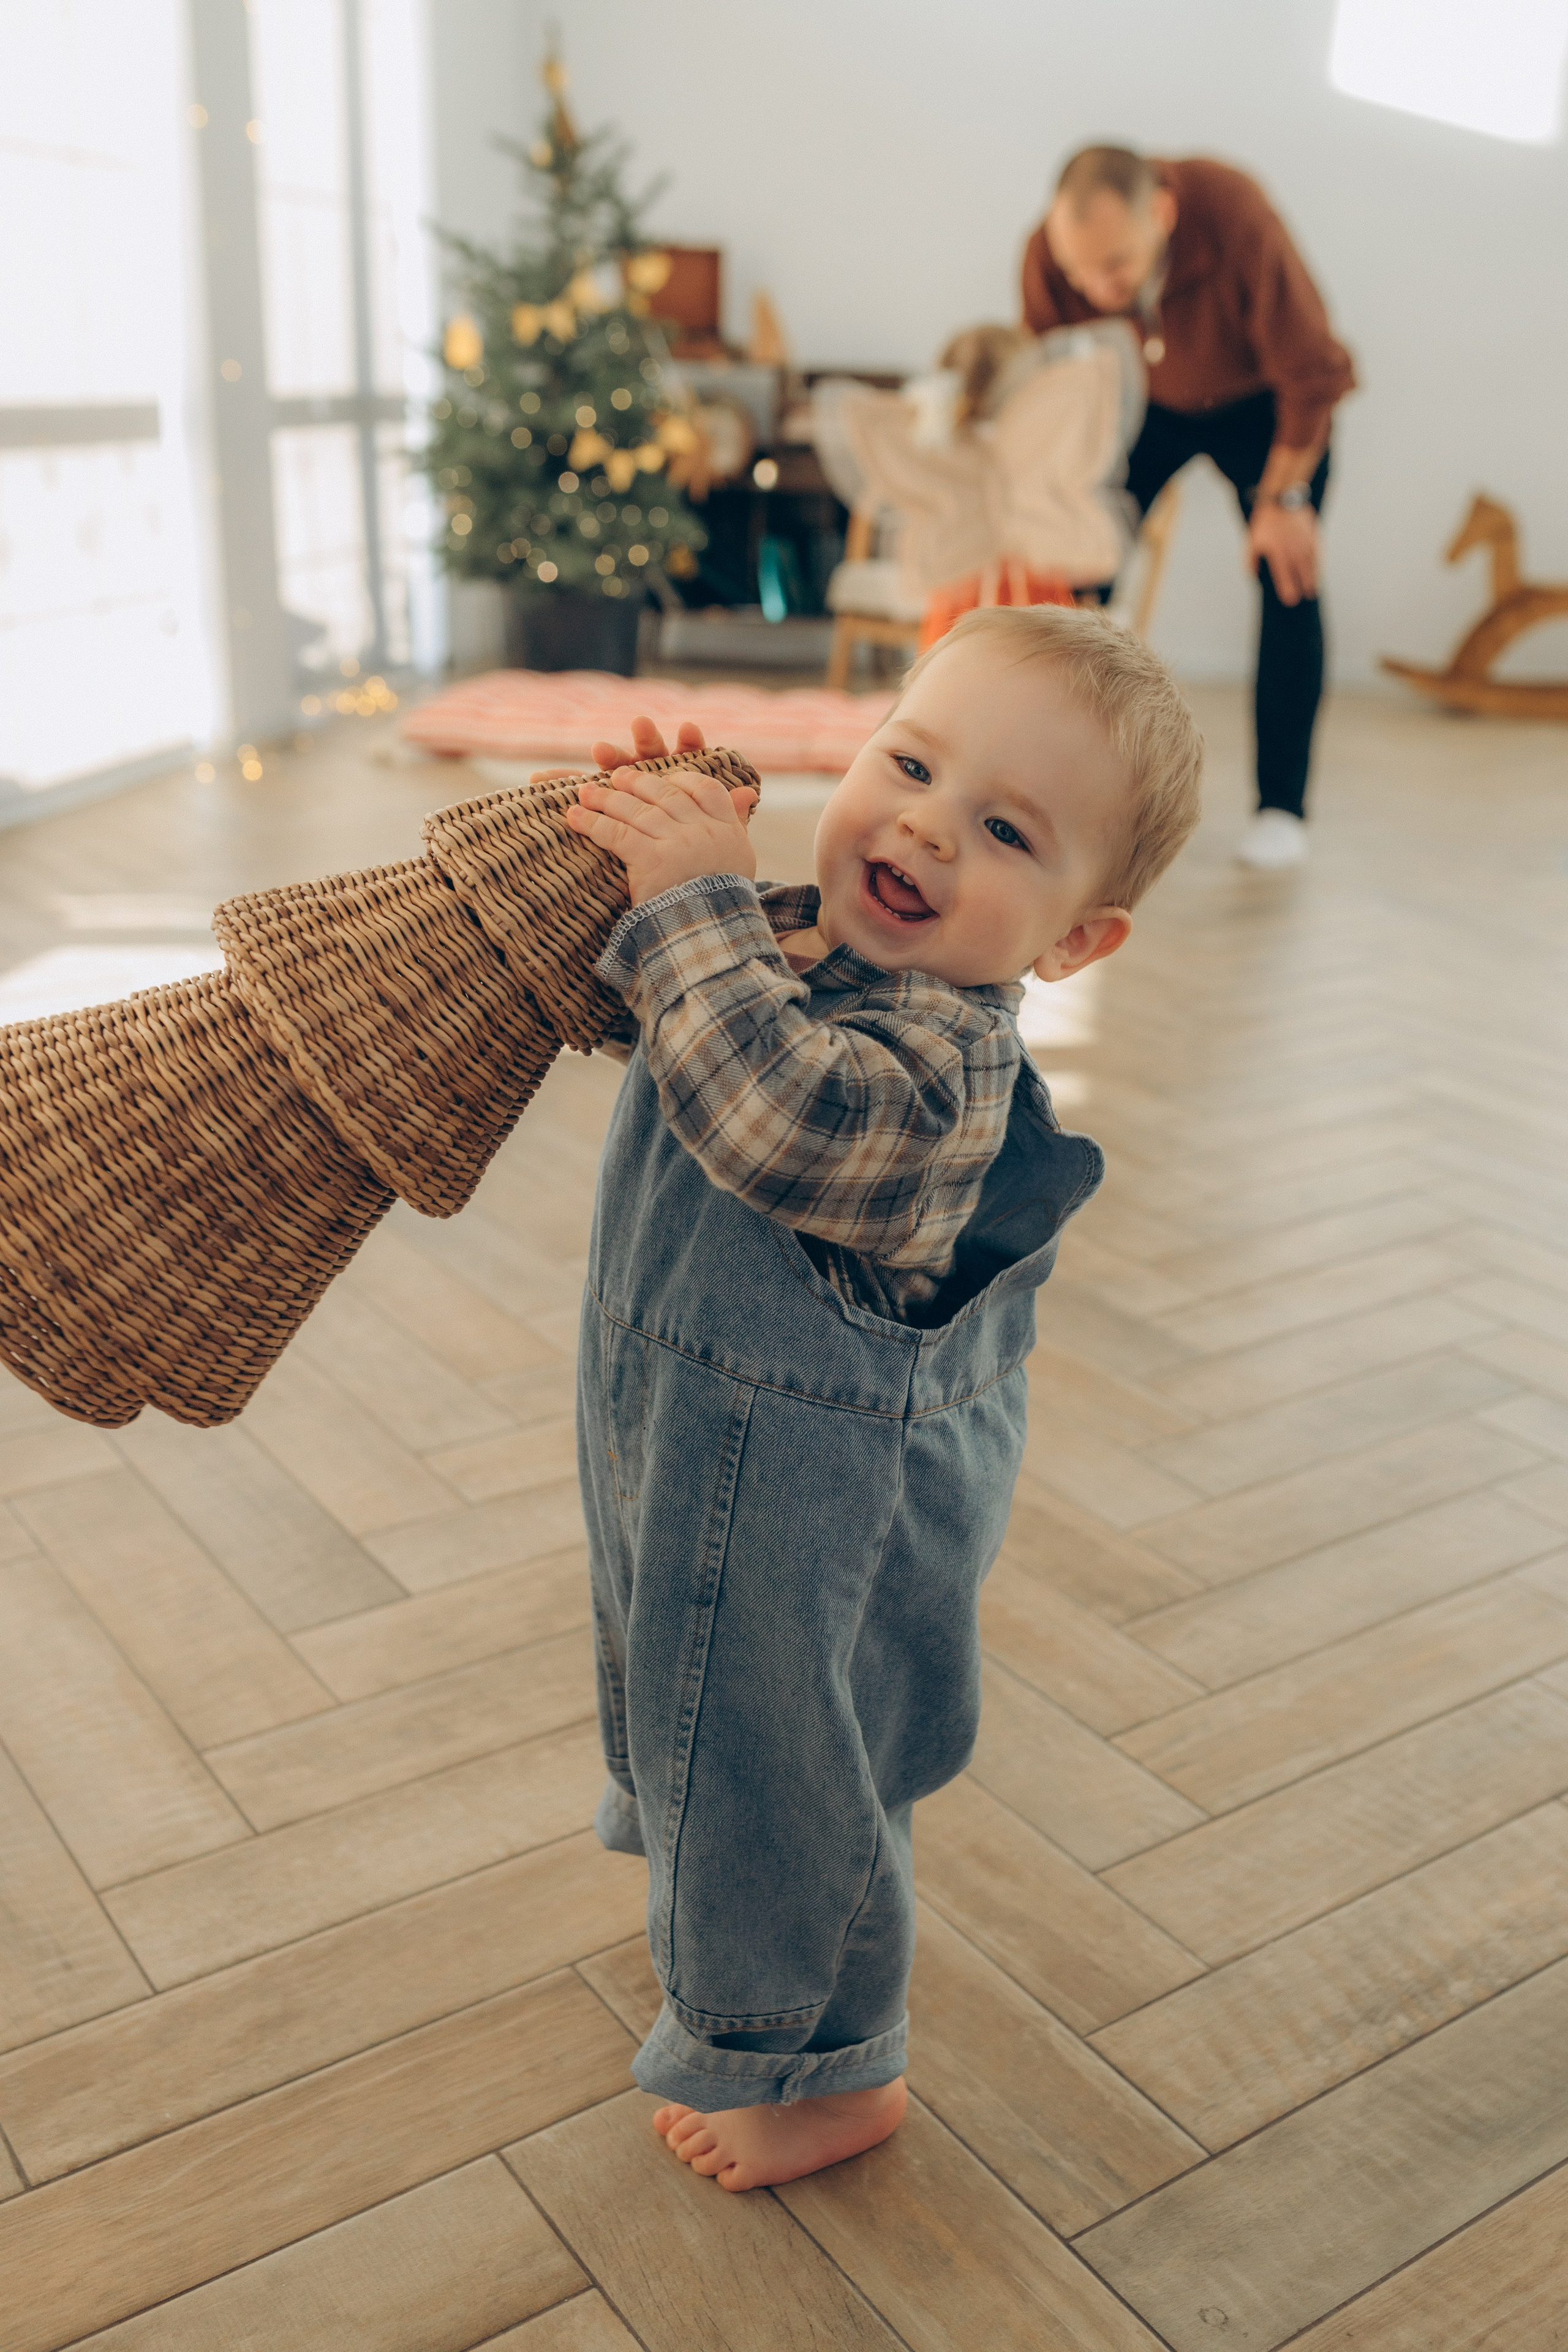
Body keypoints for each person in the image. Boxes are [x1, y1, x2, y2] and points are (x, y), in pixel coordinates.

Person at [562, 604, 1204, 2190]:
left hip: (813, 1507)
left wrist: (693, 908)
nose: (923, 824)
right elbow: (677, 995)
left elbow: (774, 1113)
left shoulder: (945, 1073)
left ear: (1072, 939)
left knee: (799, 1754)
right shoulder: (795, 950)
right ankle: (725, 1933)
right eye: (911, 761)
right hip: (682, 1431)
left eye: (1002, 829)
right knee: (699, 1700)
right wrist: (668, 868)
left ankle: (834, 2067)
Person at [1023, 145, 1355, 868]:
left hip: (1261, 406)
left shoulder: (1236, 217)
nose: (1095, 287)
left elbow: (1314, 374)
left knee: (1287, 576)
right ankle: (1047, 777)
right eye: (1079, 272)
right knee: (1072, 571)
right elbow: (1055, 393)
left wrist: (1286, 497)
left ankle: (1281, 809)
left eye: (1115, 266)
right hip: (1142, 410)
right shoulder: (1050, 258)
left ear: (1163, 215)